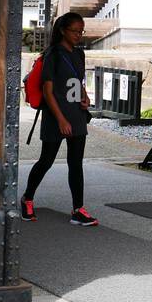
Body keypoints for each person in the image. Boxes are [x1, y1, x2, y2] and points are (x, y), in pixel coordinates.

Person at [21, 12, 98, 226]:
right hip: (57, 115)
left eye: (81, 31)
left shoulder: (79, 54)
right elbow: (47, 90)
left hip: (77, 115)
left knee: (76, 164)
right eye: (74, 31)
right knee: (46, 160)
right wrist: (61, 119)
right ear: (63, 30)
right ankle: (27, 198)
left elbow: (78, 80)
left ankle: (78, 209)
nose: (78, 35)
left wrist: (85, 97)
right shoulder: (53, 54)